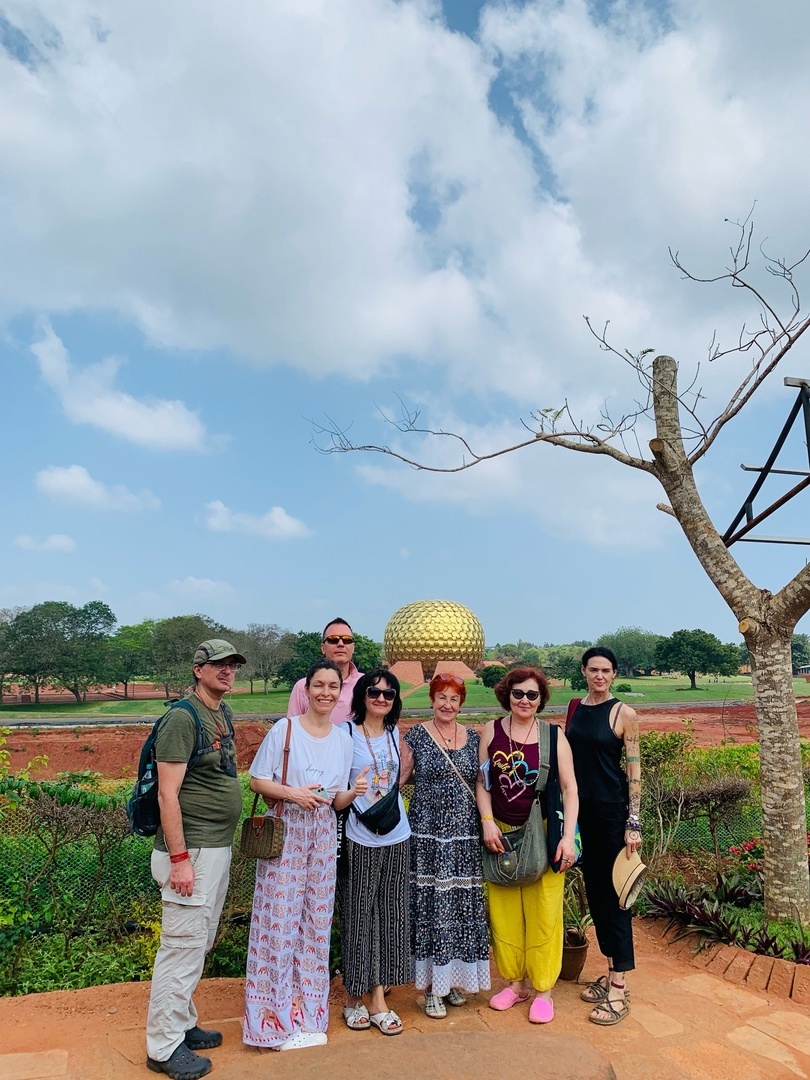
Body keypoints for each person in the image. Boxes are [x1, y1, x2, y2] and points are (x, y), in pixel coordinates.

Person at [243, 660, 368, 1052]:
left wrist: (355, 791)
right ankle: (273, 1023)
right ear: (307, 689)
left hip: (324, 834)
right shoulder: (286, 729)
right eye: (318, 685)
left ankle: (309, 1016)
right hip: (287, 831)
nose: (326, 692)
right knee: (278, 924)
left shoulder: (343, 738)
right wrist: (293, 793)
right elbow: (256, 779)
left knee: (315, 924)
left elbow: (337, 798)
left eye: (333, 686)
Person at [145, 639, 247, 1080]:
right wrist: (181, 858)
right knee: (181, 947)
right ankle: (163, 1047)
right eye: (219, 665)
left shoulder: (220, 712)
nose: (227, 672)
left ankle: (182, 1024)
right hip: (193, 851)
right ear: (198, 669)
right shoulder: (181, 718)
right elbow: (168, 794)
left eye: (233, 666)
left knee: (198, 941)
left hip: (214, 847)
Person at [476, 666, 578, 1026]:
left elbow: (570, 789)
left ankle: (544, 990)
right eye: (518, 693)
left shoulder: (554, 736)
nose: (524, 700)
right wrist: (487, 822)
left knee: (545, 914)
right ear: (507, 695)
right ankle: (516, 983)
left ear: (541, 699)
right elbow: (483, 784)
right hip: (500, 833)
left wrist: (568, 838)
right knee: (504, 913)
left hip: (544, 834)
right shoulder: (491, 730)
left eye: (532, 695)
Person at [399, 673, 490, 1018]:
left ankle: (451, 981)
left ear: (461, 704)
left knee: (458, 907)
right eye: (441, 697)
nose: (447, 705)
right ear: (431, 700)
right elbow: (399, 779)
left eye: (454, 699)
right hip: (428, 836)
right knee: (431, 908)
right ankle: (428, 989)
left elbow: (482, 782)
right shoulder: (417, 736)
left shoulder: (473, 737)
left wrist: (488, 822)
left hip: (464, 836)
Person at [566, 647, 641, 1026]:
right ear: (584, 671)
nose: (599, 676)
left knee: (615, 900)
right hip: (582, 816)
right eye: (593, 669)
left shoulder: (623, 714)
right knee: (595, 896)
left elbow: (634, 772)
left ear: (613, 674)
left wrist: (634, 822)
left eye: (606, 670)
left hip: (612, 815)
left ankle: (619, 987)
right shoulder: (576, 706)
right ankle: (610, 967)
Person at [339, 669, 411, 1036]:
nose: (381, 698)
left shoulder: (395, 733)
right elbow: (335, 790)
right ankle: (354, 993)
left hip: (397, 834)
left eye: (389, 694)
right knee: (359, 912)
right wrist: (354, 788)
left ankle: (379, 995)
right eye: (374, 692)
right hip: (361, 835)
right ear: (362, 696)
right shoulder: (345, 734)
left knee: (391, 913)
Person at [287, 618, 363, 724]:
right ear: (323, 648)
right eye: (333, 639)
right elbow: (292, 730)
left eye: (347, 640)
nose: (341, 644)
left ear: (353, 648)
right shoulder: (302, 687)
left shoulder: (366, 684)